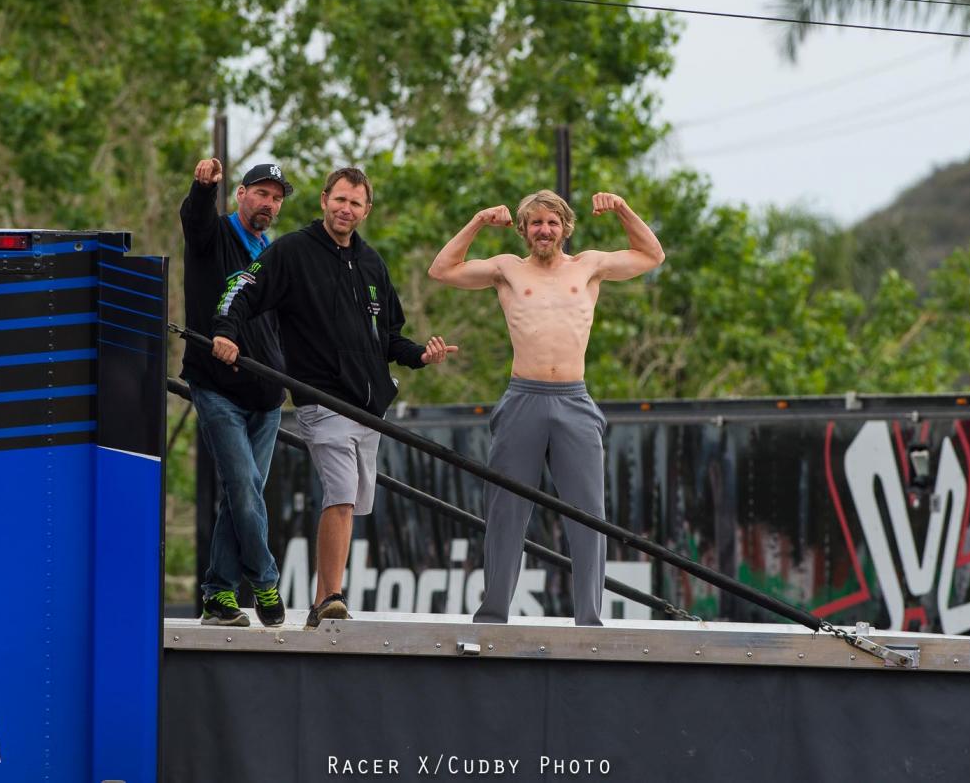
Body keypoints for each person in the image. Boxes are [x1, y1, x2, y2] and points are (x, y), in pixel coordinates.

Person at [211, 167, 457, 628]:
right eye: (339, 200)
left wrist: (422, 355)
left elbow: (389, 338)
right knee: (341, 495)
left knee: (354, 502)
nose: (346, 209)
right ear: (324, 200)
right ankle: (331, 599)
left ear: (367, 211)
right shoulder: (293, 252)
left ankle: (323, 604)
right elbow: (240, 289)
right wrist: (225, 332)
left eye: (356, 203)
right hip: (321, 398)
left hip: (369, 406)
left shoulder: (371, 263)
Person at [427, 189, 664, 626]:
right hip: (523, 398)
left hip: (574, 398)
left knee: (589, 513)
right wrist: (479, 220)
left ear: (565, 227)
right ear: (523, 230)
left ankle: (589, 619)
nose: (544, 230)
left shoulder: (589, 266)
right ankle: (494, 613)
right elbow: (442, 269)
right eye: (535, 223)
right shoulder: (507, 270)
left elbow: (651, 255)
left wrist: (623, 209)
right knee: (505, 511)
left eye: (552, 223)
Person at [180, 158, 294, 628]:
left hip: (267, 397)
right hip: (216, 387)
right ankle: (265, 579)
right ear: (240, 195)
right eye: (261, 193)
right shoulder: (215, 235)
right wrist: (202, 188)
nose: (268, 203)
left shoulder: (273, 252)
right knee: (245, 488)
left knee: (240, 495)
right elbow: (194, 221)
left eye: (276, 198)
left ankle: (218, 596)